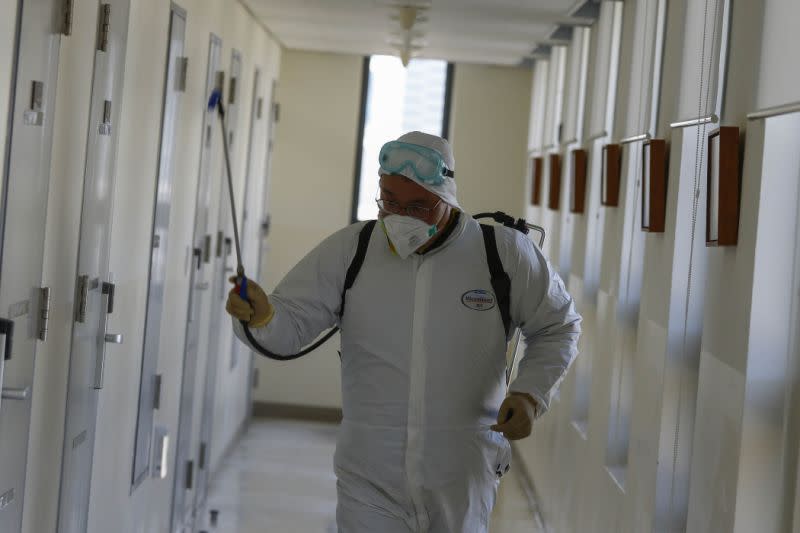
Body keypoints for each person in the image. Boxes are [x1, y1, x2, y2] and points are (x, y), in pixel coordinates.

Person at [226, 131, 581, 532]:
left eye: (419, 206)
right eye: (389, 201)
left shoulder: (502, 253)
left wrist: (530, 393)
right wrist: (260, 316)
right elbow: (289, 325)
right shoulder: (353, 250)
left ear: (447, 197)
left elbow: (559, 326)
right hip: (370, 474)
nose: (401, 217)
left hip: (461, 473)